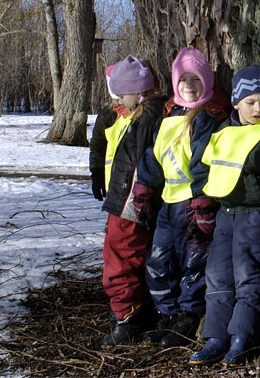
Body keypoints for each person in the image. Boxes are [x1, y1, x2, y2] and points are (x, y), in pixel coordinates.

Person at [188, 66, 260, 367]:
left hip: (257, 217)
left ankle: (242, 337)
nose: (258, 109)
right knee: (218, 275)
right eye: (250, 102)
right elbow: (204, 169)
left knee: (250, 276)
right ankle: (216, 337)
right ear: (236, 102)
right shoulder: (222, 132)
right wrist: (201, 207)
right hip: (225, 216)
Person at [133, 48, 230, 347]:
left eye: (196, 79)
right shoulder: (169, 113)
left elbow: (203, 160)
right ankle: (168, 312)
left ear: (207, 81)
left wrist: (203, 201)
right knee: (160, 260)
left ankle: (189, 314)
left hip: (193, 203)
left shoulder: (208, 116)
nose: (189, 85)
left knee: (194, 262)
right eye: (183, 79)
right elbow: (154, 154)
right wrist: (144, 189)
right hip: (168, 202)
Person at [98, 55, 167, 347]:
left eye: (121, 94)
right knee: (130, 256)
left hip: (130, 203)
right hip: (127, 199)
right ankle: (137, 308)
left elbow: (143, 163)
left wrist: (138, 197)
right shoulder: (143, 113)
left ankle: (128, 315)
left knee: (120, 258)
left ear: (137, 92)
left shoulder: (147, 117)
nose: (117, 101)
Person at [89, 64, 119, 203]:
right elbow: (97, 145)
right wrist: (97, 173)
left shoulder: (140, 111)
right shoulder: (107, 115)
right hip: (112, 181)